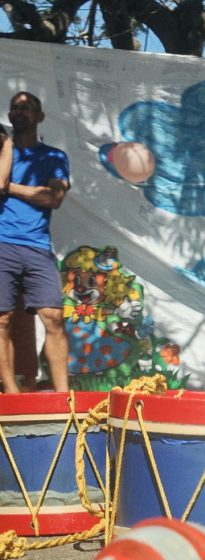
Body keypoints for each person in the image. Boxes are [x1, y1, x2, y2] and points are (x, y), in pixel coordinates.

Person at [0, 92, 71, 393]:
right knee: (2, 321)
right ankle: (12, 396)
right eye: (15, 107)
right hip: (2, 244)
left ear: (40, 116)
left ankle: (63, 395)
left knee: (53, 317)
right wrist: (5, 146)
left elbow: (53, 198)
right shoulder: (2, 152)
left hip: (38, 246)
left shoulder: (55, 157)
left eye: (27, 107)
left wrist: (11, 187)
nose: (20, 111)